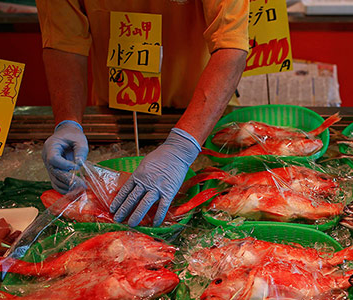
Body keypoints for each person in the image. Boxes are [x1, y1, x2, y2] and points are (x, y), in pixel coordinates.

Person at [36, 0, 248, 226]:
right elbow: (63, 42)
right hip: (118, 110)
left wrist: (182, 146)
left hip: (202, 120)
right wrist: (68, 122)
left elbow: (231, 45)